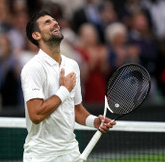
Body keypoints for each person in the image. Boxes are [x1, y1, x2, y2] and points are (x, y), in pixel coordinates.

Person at [21, 11, 116, 162]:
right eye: (47, 22)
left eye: (54, 20)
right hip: (41, 156)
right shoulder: (33, 68)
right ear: (36, 35)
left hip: (71, 152)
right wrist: (64, 90)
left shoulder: (72, 65)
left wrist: (93, 121)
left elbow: (76, 110)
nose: (55, 23)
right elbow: (36, 115)